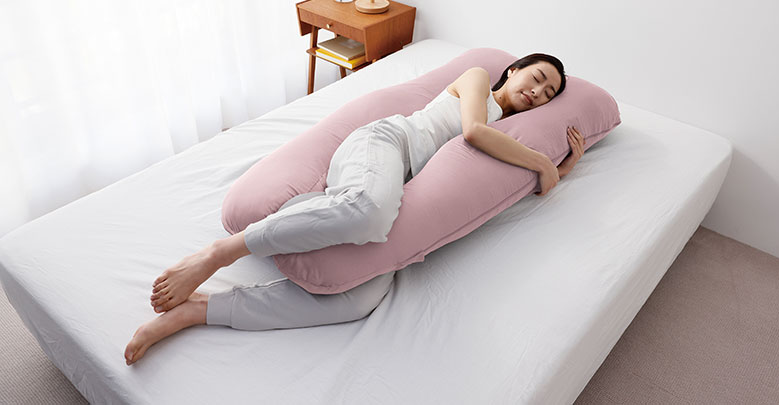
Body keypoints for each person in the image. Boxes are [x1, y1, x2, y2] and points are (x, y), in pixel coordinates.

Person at [124, 53, 586, 365]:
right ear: (513, 71)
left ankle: (200, 311)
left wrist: (562, 169)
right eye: (537, 78)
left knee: (358, 299)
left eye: (549, 94)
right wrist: (543, 162)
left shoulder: (514, 132)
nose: (539, 92)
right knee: (368, 210)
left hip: (396, 187)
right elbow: (472, 133)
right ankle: (218, 254)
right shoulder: (479, 81)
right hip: (384, 145)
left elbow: (515, 184)